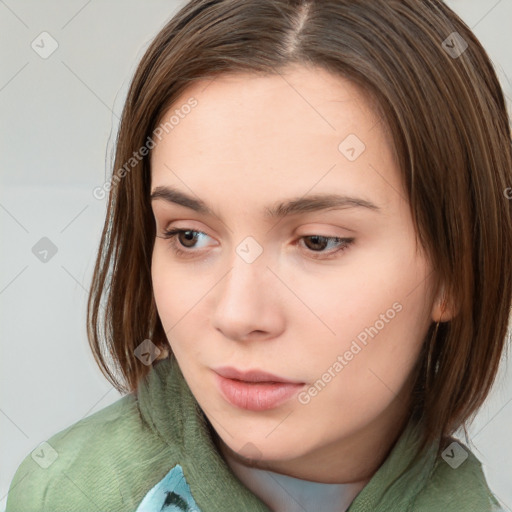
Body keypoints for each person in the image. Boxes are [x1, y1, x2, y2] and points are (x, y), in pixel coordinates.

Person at [6, 0, 512, 511]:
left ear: (454, 271)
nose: (238, 315)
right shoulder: (69, 494)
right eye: (189, 236)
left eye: (318, 241)